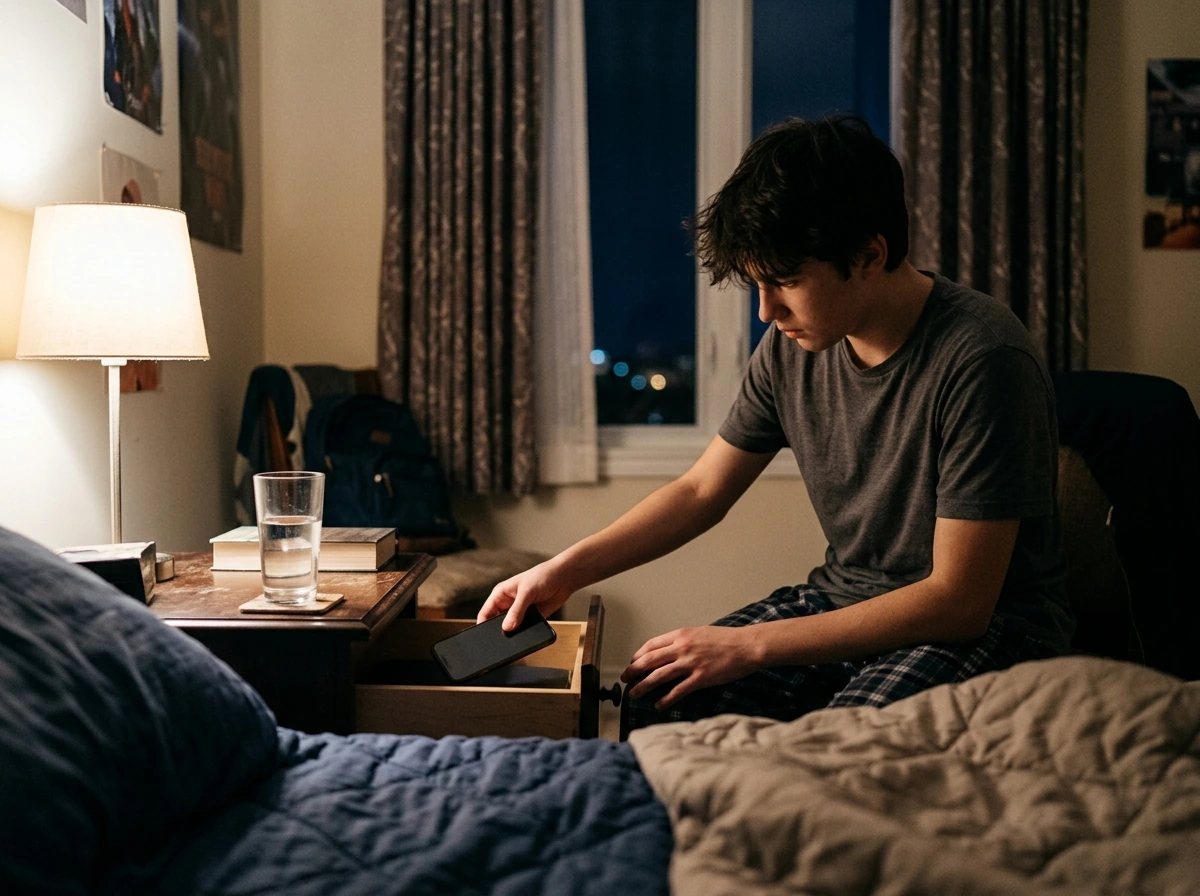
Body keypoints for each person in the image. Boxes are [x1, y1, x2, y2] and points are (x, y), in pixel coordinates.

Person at [477, 114, 1073, 735]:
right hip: (847, 599)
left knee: (831, 745)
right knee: (660, 695)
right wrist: (564, 570)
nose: (767, 311)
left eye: (785, 282)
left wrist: (749, 645)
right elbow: (700, 491)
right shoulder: (792, 347)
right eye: (757, 284)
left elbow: (959, 601)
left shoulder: (982, 358)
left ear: (870, 254)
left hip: (990, 630)